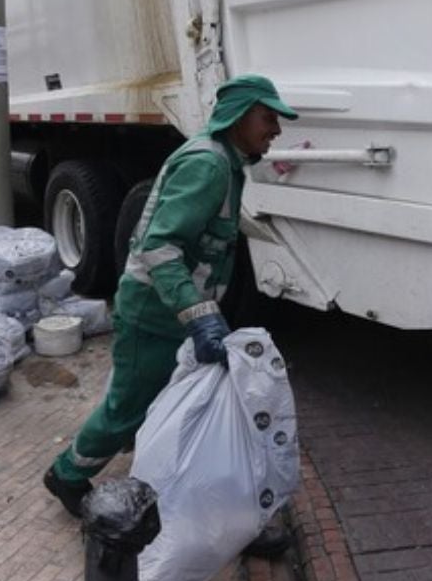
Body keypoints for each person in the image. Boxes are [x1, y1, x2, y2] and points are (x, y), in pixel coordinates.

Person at [42, 75, 297, 543]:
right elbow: (160, 247)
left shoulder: (225, 162)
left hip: (173, 315)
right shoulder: (209, 166)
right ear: (240, 117)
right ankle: (67, 475)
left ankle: (216, 513)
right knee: (127, 412)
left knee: (189, 412)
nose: (276, 129)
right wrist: (199, 316)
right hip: (153, 315)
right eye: (268, 117)